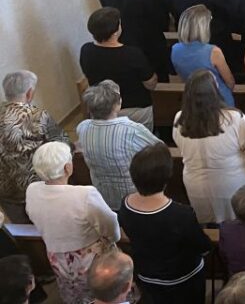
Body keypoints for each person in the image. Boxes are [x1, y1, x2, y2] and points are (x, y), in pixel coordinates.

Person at [24, 141, 119, 304]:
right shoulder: (85, 194)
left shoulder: (32, 189)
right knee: (101, 290)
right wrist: (113, 240)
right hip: (88, 258)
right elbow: (110, 225)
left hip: (56, 256)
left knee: (73, 291)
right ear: (68, 168)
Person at [118, 143, 212, 303]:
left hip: (147, 278)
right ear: (167, 177)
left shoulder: (125, 205)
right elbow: (202, 246)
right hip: (183, 281)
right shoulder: (181, 214)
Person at [173, 71, 245, 224]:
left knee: (207, 224)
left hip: (196, 185)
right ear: (215, 91)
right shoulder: (235, 119)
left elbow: (180, 146)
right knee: (239, 224)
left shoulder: (180, 119)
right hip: (233, 184)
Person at [76, 80, 160, 210]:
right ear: (117, 105)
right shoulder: (131, 129)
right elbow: (159, 148)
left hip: (102, 196)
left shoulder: (83, 128)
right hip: (132, 196)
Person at [0, 70, 68, 224]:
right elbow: (62, 145)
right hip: (36, 186)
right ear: (29, 93)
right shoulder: (38, 116)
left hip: (5, 189)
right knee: (47, 223)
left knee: (23, 228)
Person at [79, 8, 157, 128]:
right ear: (115, 32)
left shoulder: (86, 50)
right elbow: (150, 84)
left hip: (102, 110)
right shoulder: (132, 54)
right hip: (135, 110)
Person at [172, 4, 236, 106]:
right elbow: (230, 82)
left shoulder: (175, 50)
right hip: (219, 102)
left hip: (193, 100)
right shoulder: (213, 52)